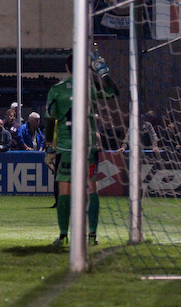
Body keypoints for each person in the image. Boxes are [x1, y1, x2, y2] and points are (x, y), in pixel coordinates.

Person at [45, 53, 117, 246]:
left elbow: (51, 120)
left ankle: (63, 235)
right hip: (88, 146)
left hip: (65, 147)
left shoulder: (56, 90)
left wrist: (49, 149)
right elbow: (112, 92)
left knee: (64, 190)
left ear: (67, 68)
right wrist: (103, 72)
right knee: (91, 187)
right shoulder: (90, 87)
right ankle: (92, 234)